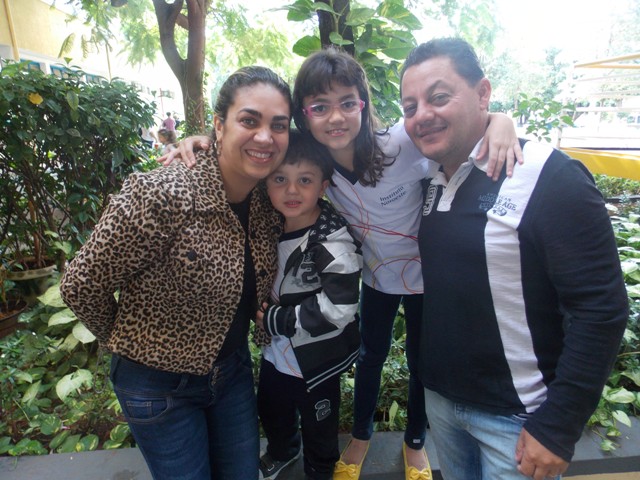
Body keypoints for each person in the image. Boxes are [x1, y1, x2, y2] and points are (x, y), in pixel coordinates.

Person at [160, 47, 522, 480]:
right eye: (319, 107)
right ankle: (361, 436)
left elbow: (455, 129)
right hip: (377, 279)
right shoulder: (317, 159)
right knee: (371, 356)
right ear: (305, 115)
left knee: (422, 364)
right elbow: (255, 151)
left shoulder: (400, 144)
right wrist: (199, 140)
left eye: (347, 103)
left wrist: (500, 120)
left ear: (363, 104)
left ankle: (414, 443)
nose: (335, 118)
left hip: (428, 281)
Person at [400, 37, 628, 480]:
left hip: (518, 422)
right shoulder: (429, 178)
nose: (422, 115)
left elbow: (600, 307)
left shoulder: (548, 176)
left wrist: (559, 425)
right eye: (410, 107)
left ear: (483, 93)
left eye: (439, 97)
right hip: (442, 405)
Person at [60, 65, 292, 480]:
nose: (265, 137)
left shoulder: (268, 198)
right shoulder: (163, 194)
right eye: (249, 121)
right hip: (157, 388)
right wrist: (131, 346)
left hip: (232, 373)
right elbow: (81, 284)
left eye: (279, 125)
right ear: (219, 125)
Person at [256, 131, 363, 480]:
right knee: (271, 410)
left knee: (320, 424)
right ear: (266, 183)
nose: (291, 190)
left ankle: (320, 468)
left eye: (305, 180)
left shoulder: (332, 243)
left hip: (318, 360)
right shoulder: (268, 225)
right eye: (280, 179)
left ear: (323, 187)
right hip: (276, 354)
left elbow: (341, 307)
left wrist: (280, 320)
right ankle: (283, 450)